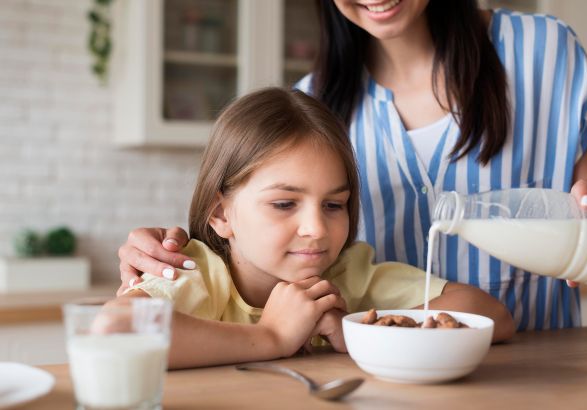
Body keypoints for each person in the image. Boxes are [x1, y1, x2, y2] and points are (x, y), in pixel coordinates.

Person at [116, 1, 587, 331]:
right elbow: (247, 231)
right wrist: (158, 251)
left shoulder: (546, 54)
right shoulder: (315, 107)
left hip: (546, 373)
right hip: (384, 388)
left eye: (335, 205)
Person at [110, 88, 514, 369]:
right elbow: (115, 329)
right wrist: (272, 337)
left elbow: (491, 314)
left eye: (334, 204)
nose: (316, 228)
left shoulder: (349, 274)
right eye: (284, 204)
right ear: (221, 214)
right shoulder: (199, 273)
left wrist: (358, 332)